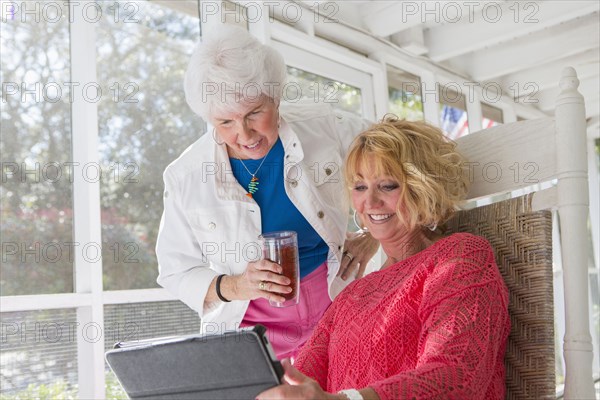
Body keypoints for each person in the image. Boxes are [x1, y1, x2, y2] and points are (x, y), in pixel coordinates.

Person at [155, 24, 379, 359]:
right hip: (250, 328)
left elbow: (397, 159)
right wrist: (236, 286)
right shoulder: (186, 176)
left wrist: (371, 234)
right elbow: (176, 270)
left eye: (254, 113)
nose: (244, 134)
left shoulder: (323, 126)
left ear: (275, 96)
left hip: (334, 304)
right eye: (225, 123)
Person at [258, 117, 511, 400]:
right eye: (360, 187)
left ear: (423, 187)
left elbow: (457, 378)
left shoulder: (459, 258)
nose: (371, 202)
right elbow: (302, 381)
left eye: (388, 186)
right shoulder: (351, 296)